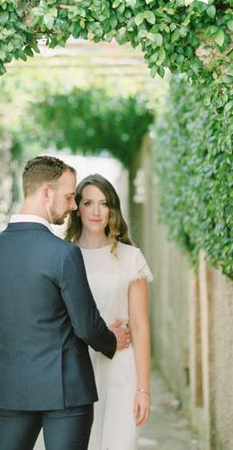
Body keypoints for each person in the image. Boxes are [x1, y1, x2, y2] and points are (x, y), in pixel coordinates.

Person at [0, 155, 132, 450]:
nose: (73, 206)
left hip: (14, 388)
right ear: (47, 193)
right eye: (70, 196)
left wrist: (25, 345)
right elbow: (86, 325)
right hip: (67, 389)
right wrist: (111, 339)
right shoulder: (63, 254)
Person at [65, 174, 153, 450]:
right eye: (88, 203)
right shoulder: (63, 255)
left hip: (120, 367)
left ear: (112, 209)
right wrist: (100, 333)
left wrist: (143, 389)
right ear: (77, 207)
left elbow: (139, 327)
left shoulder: (130, 258)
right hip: (76, 366)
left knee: (119, 442)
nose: (96, 211)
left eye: (103, 204)